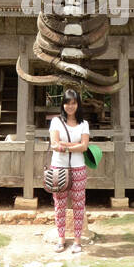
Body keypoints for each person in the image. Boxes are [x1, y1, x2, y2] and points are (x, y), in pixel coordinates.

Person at [49, 88, 91, 254]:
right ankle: (61, 239)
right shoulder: (56, 121)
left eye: (73, 102)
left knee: (78, 205)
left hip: (78, 168)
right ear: (63, 104)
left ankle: (77, 241)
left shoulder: (84, 124)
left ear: (78, 104)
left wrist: (64, 146)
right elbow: (54, 143)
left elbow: (85, 146)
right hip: (58, 168)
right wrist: (75, 146)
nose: (70, 106)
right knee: (59, 204)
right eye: (67, 102)